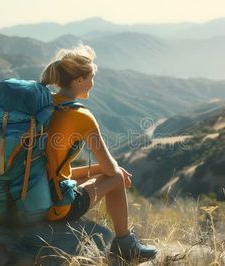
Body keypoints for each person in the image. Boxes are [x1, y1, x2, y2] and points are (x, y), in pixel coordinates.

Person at [40, 44, 157, 262]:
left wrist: (94, 170)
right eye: (91, 77)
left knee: (110, 174)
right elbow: (112, 171)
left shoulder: (43, 104)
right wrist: (112, 171)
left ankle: (125, 243)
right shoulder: (81, 116)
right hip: (54, 208)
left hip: (31, 195)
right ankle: (125, 244)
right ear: (78, 81)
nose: (93, 84)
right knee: (116, 177)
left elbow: (53, 168)